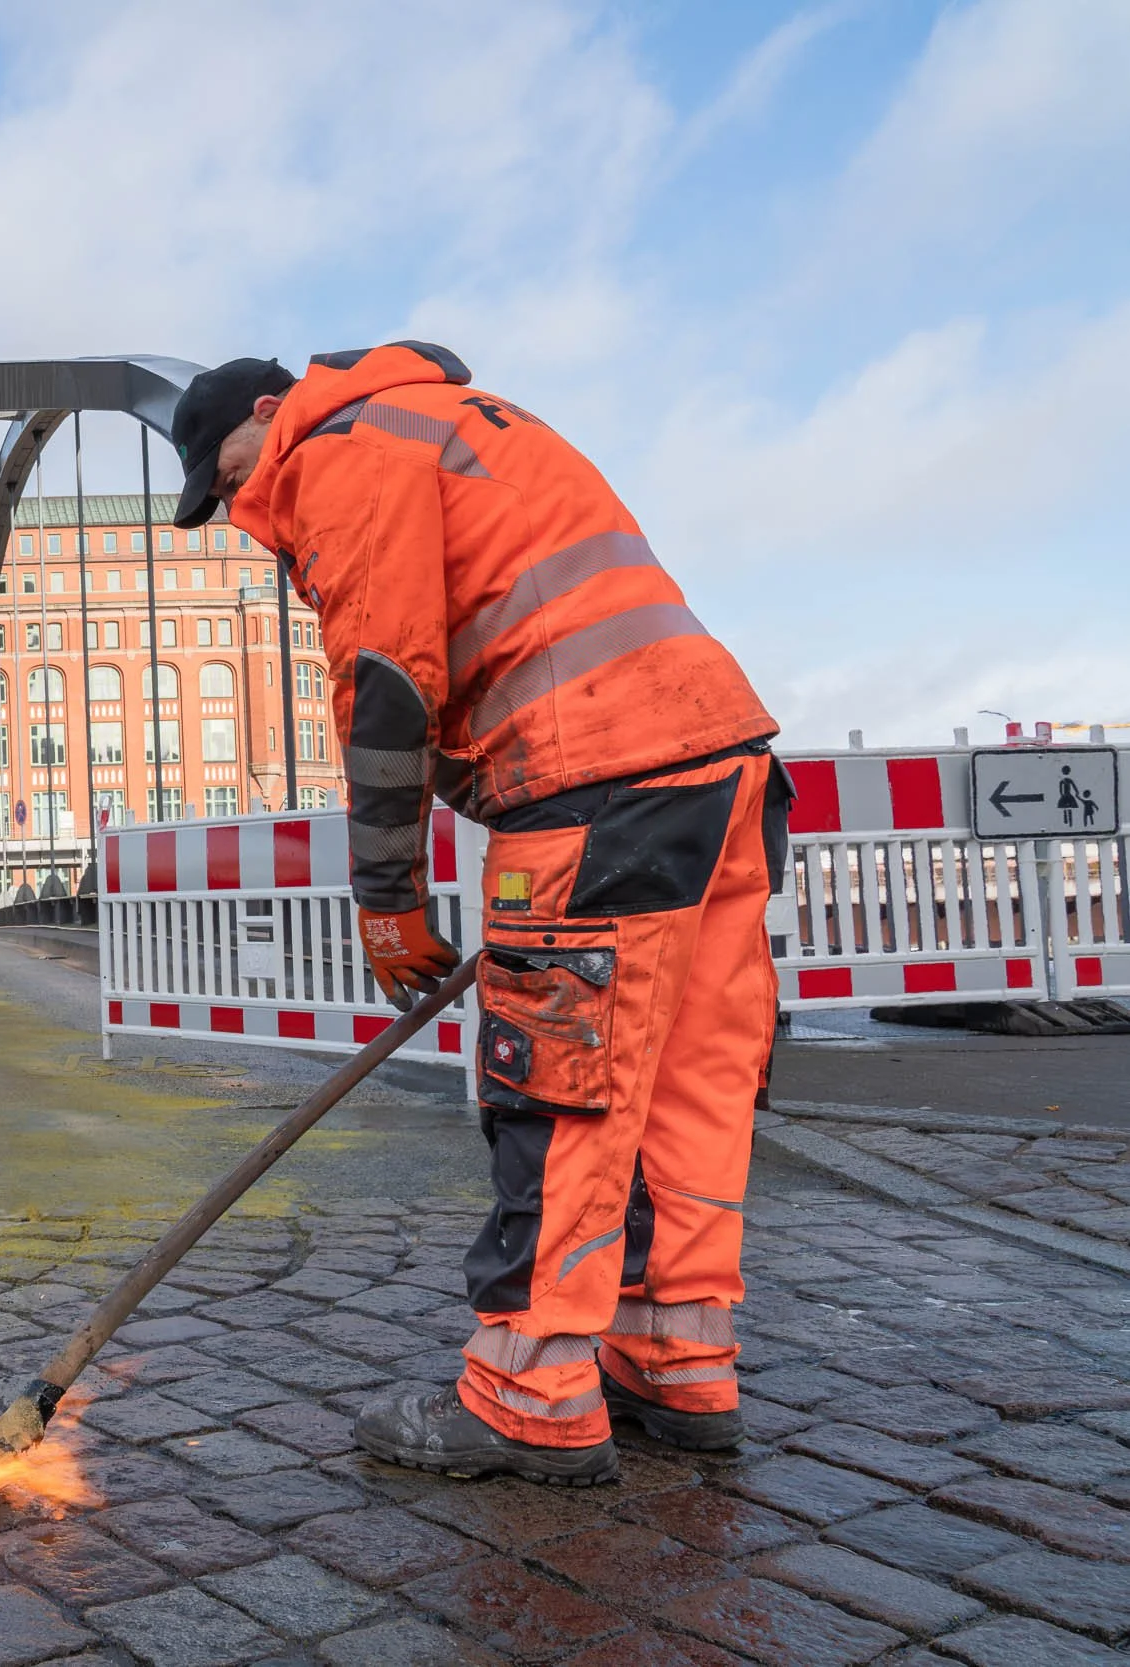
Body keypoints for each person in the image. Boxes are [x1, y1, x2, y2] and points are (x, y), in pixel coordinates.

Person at [172, 344, 784, 1487]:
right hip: (719, 759)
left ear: (273, 413)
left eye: (236, 472)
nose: (248, 508)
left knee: (560, 1088)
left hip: (595, 780)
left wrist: (388, 893)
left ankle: (528, 1393)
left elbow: (389, 682)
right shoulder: (463, 419)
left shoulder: (343, 449)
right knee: (687, 1081)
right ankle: (675, 1356)